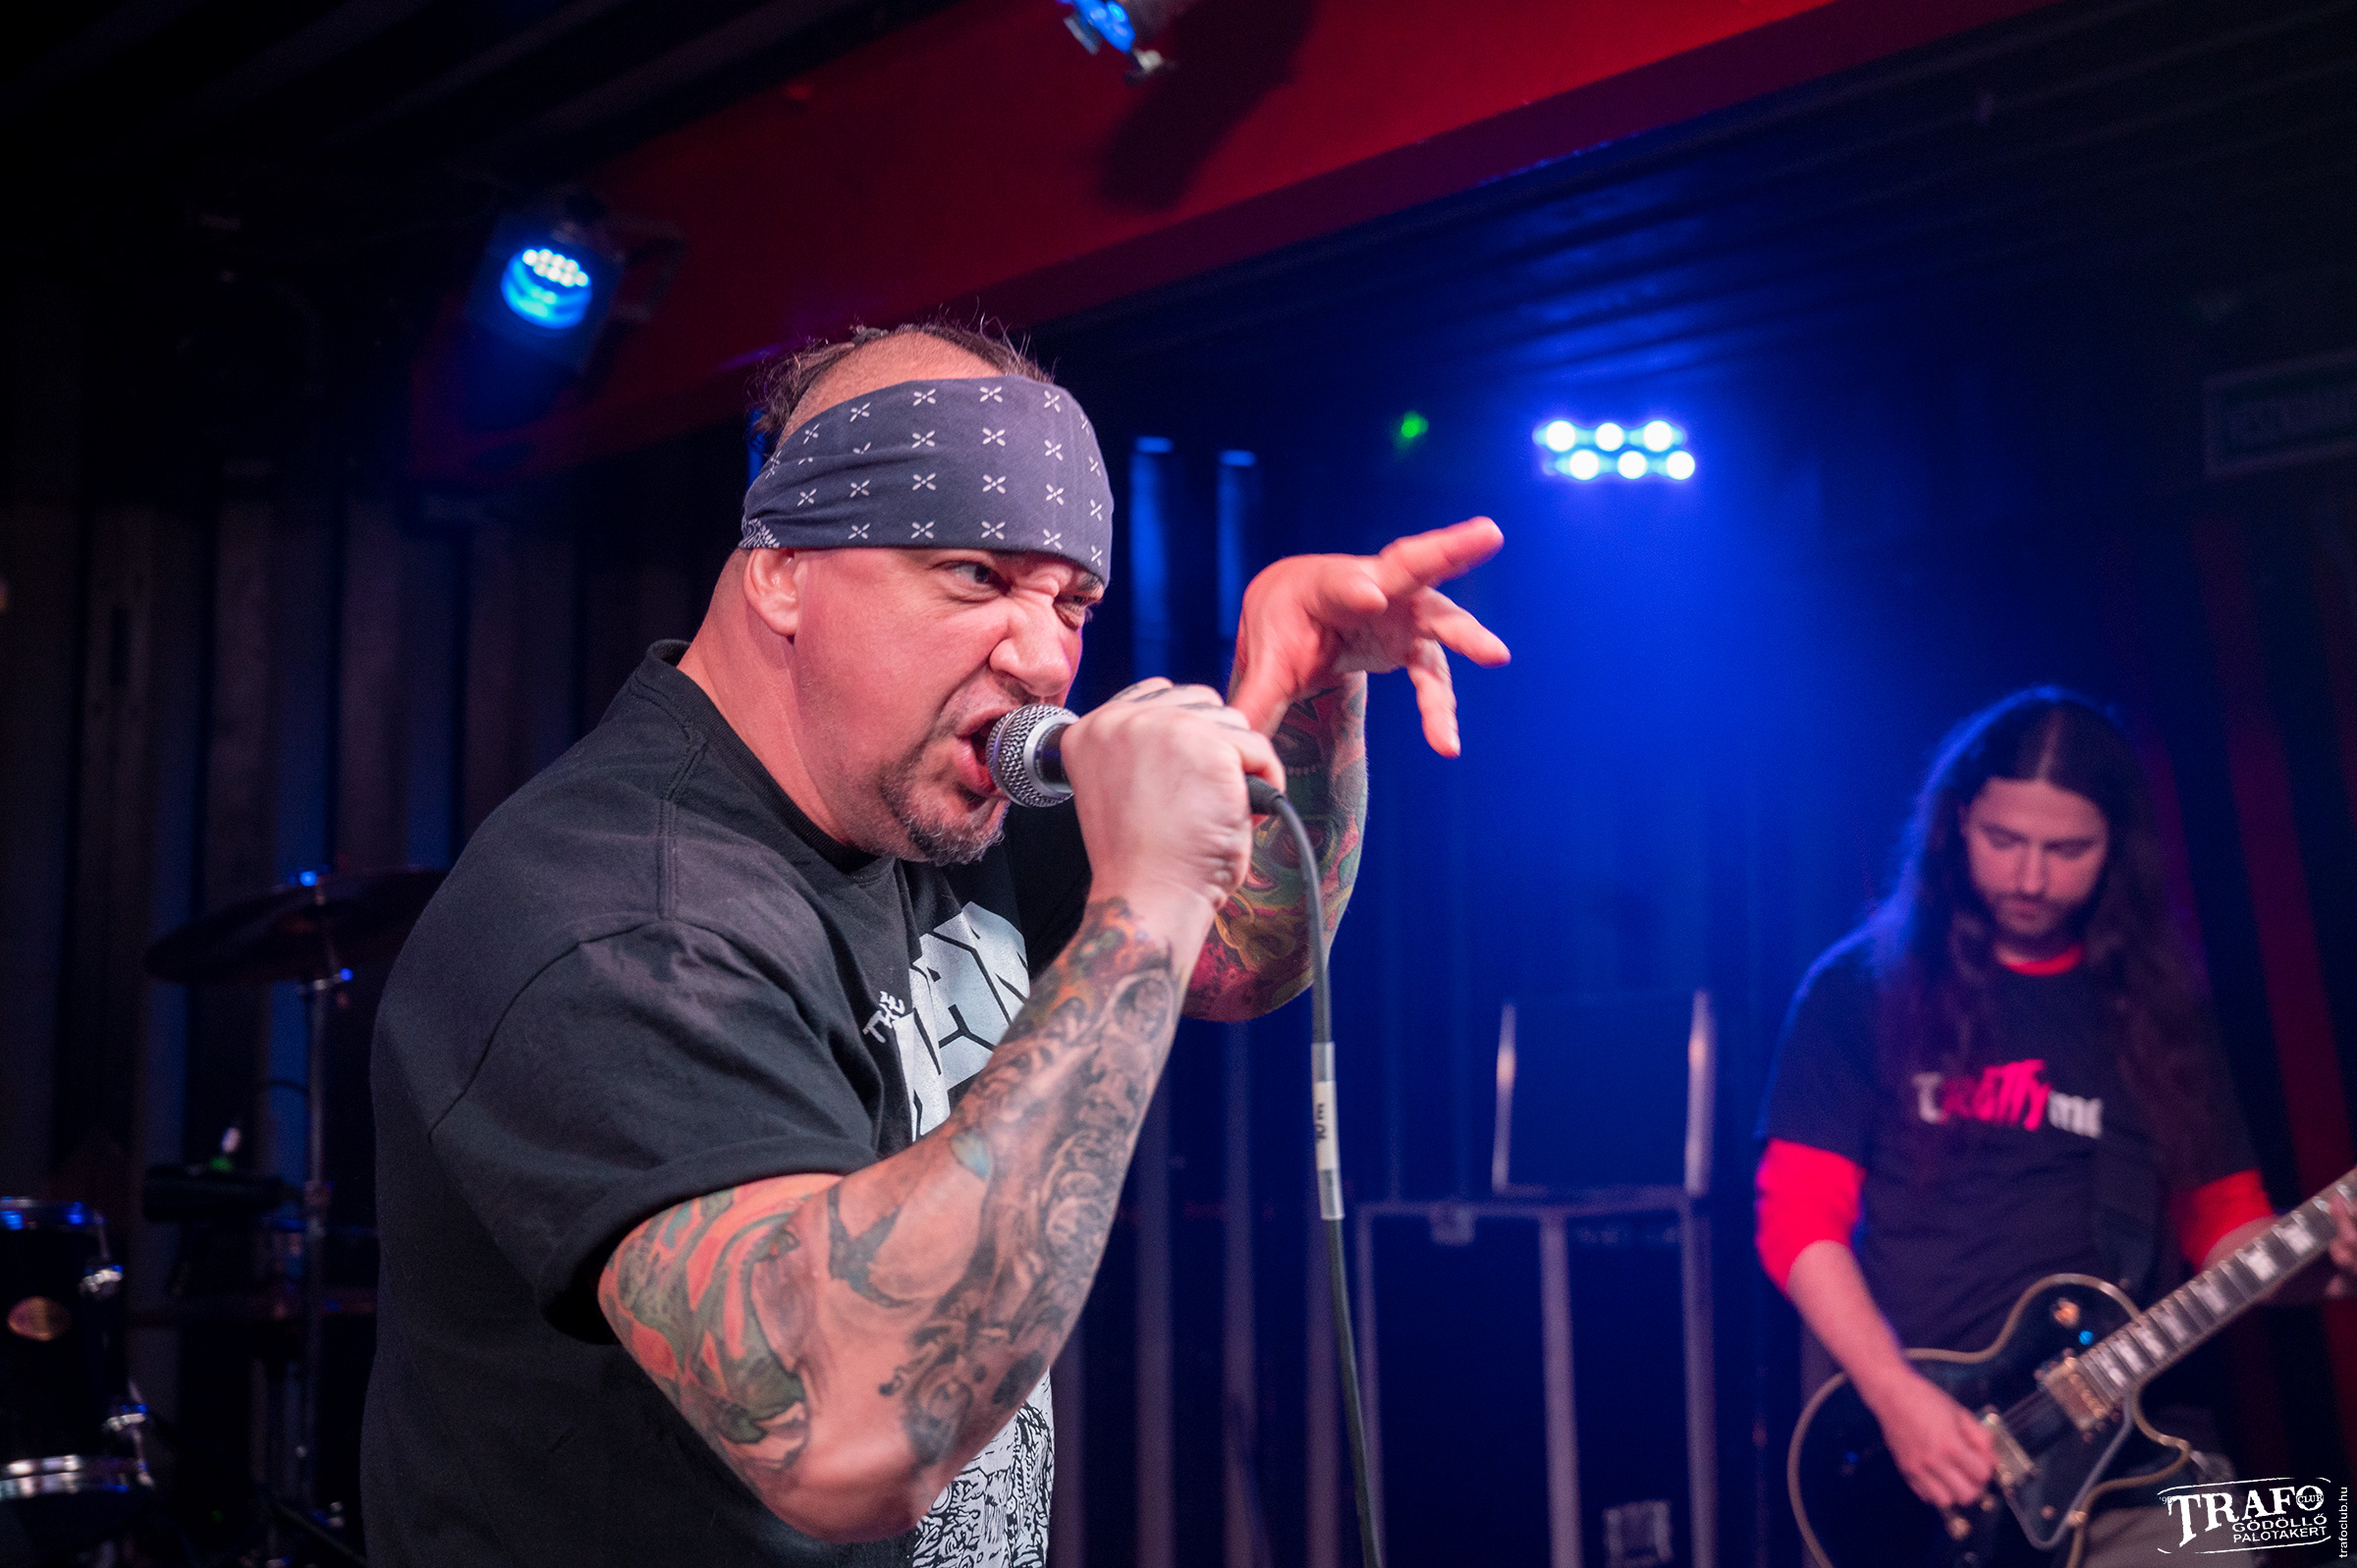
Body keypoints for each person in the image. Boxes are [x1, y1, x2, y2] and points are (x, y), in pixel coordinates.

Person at [359, 320, 1508, 1567]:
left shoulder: (928, 795)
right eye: (975, 575)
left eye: (1072, 601)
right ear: (782, 571)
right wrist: (1146, 896)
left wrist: (1313, 695)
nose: (1044, 657)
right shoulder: (621, 914)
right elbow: (843, 1430)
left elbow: (1245, 954)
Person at [1755, 688, 2357, 1565]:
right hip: (1923, 1449)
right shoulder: (1860, 987)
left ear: (2118, 846)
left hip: (2143, 1452)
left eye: (2068, 849)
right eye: (2004, 840)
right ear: (1957, 822)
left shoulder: (2163, 1013)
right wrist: (1893, 1393)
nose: (2030, 878)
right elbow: (1796, 1217)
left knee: (2324, 1522)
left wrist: (2331, 1264)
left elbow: (2230, 1233)